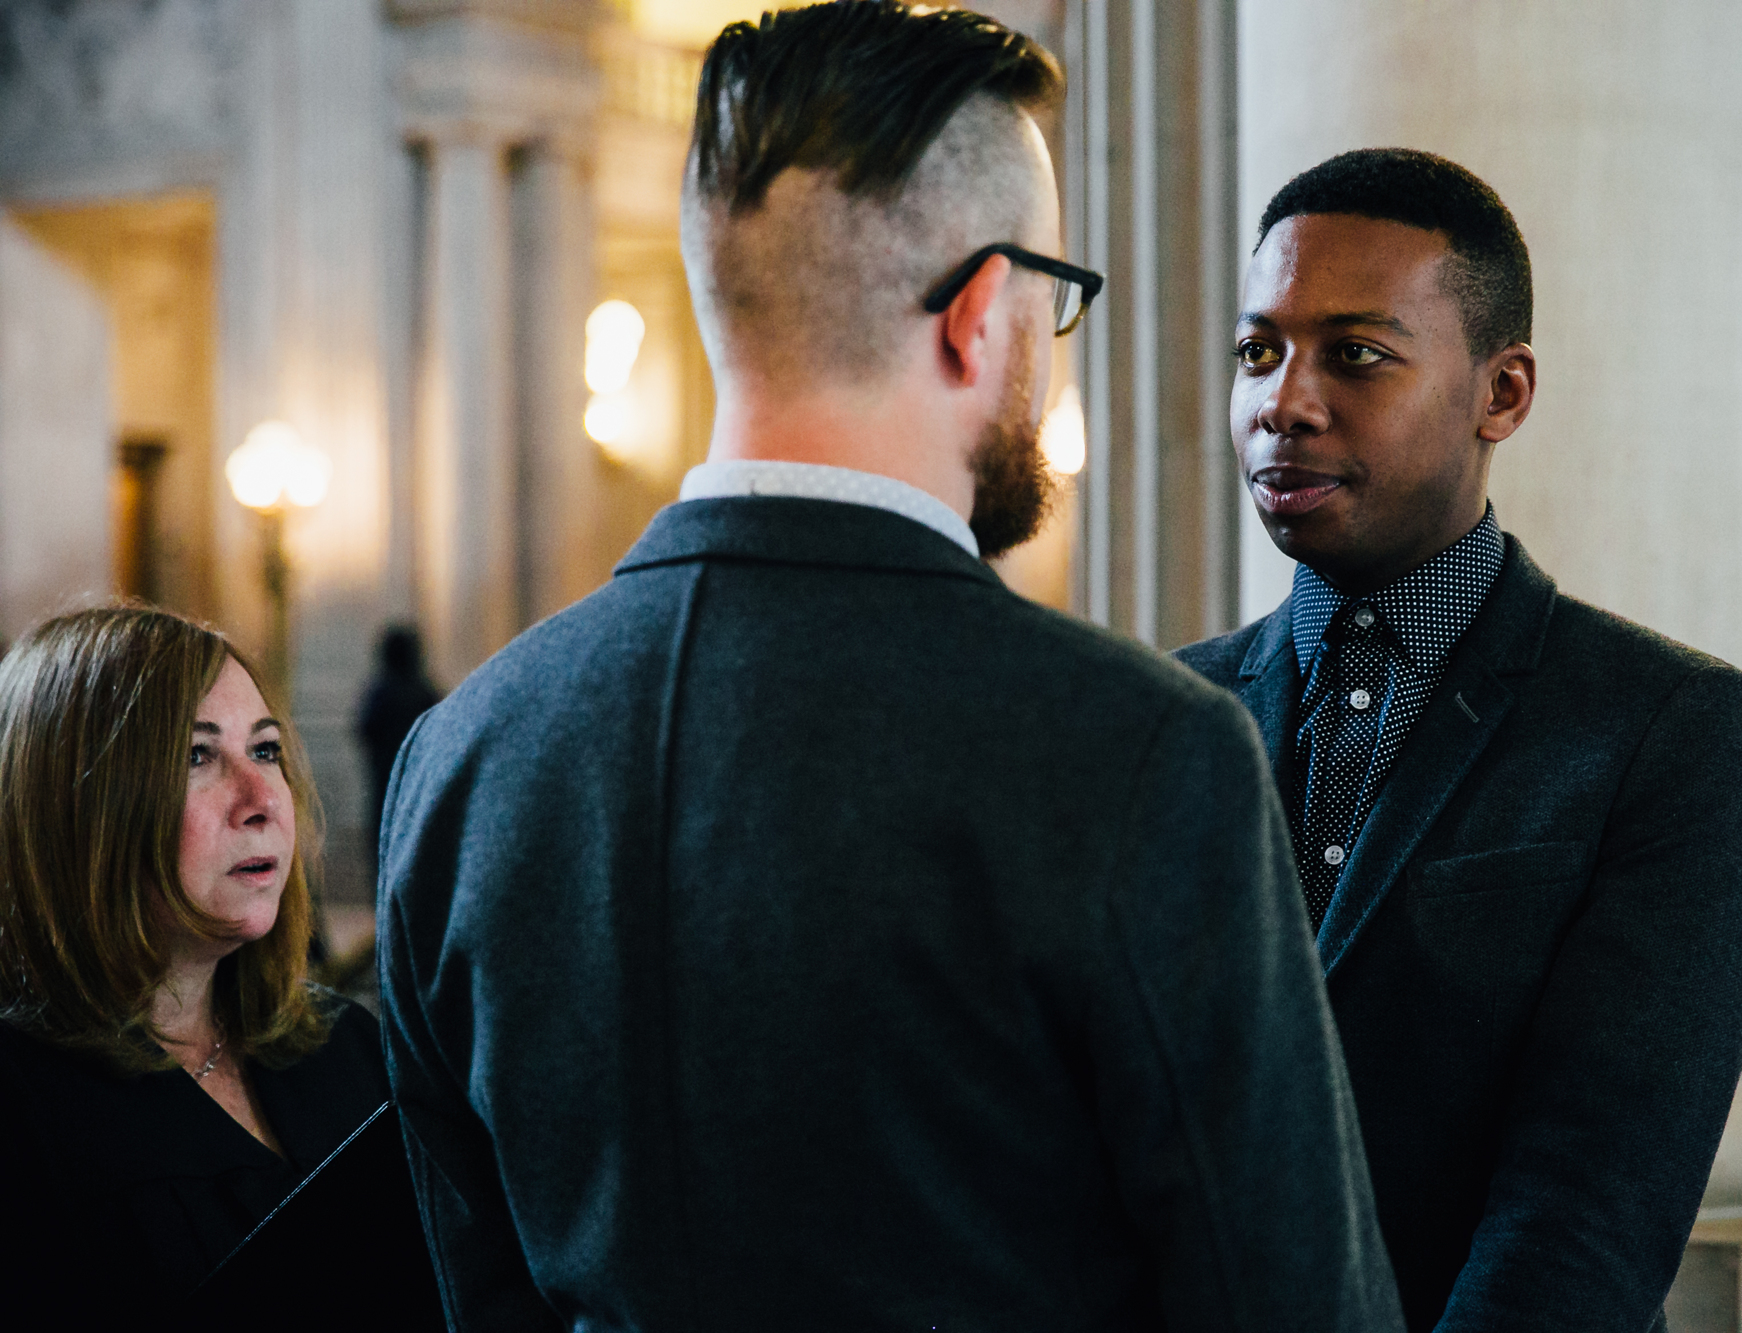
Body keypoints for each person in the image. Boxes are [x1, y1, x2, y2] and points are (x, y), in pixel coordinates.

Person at [376, 5, 1403, 1330]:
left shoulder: (460, 756)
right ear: (981, 313)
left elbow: (476, 1294)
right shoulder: (1142, 749)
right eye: (1054, 303)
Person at [1174, 147, 1742, 1332]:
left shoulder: (1665, 728)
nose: (1282, 401)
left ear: (1499, 393)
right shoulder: (1170, 713)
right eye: (1257, 350)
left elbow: (1588, 1205)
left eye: (1353, 353)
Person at [0, 607, 439, 1328]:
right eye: (197, 757)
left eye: (265, 751)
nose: (263, 799)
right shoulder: (24, 1107)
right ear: (77, 804)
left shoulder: (343, 1046)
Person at [355, 624, 441, 872]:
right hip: (421, 785)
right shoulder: (426, 691)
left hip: (385, 780)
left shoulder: (380, 692)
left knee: (383, 846)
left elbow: (364, 730)